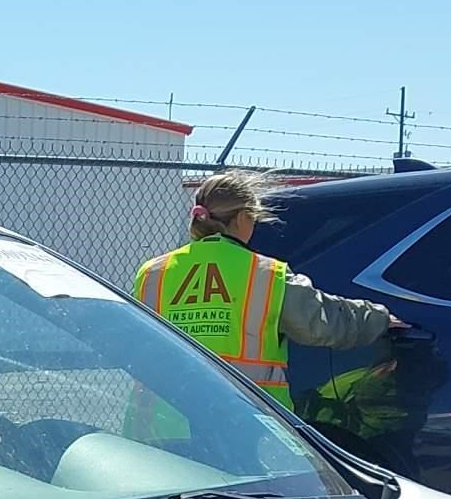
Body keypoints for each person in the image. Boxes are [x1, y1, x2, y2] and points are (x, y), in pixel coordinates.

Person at [132, 169, 400, 404]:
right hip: (240, 426)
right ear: (242, 218)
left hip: (159, 424)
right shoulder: (265, 274)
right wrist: (378, 319)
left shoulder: (152, 273)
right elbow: (320, 320)